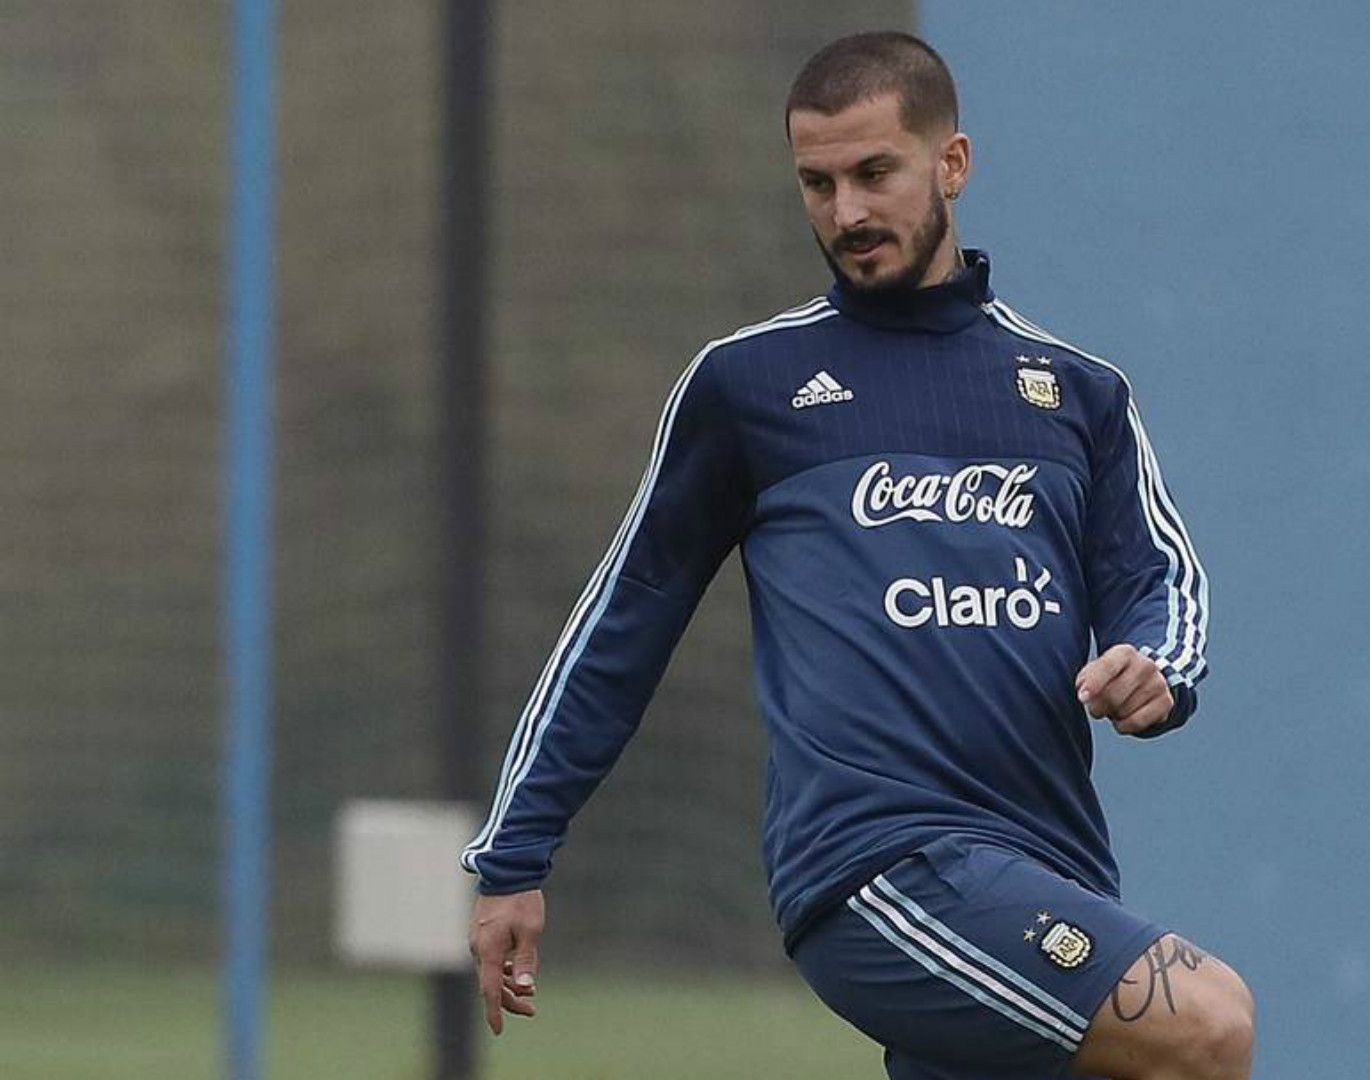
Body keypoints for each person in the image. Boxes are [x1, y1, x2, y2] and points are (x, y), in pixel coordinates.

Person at [462, 30, 1254, 1080]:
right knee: (1207, 1022)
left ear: (952, 163)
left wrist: (1158, 667)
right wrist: (513, 856)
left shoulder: (1076, 393)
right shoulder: (751, 386)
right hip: (878, 870)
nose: (846, 213)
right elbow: (624, 618)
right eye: (817, 183)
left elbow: (1158, 584)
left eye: (874, 173)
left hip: (1051, 867)